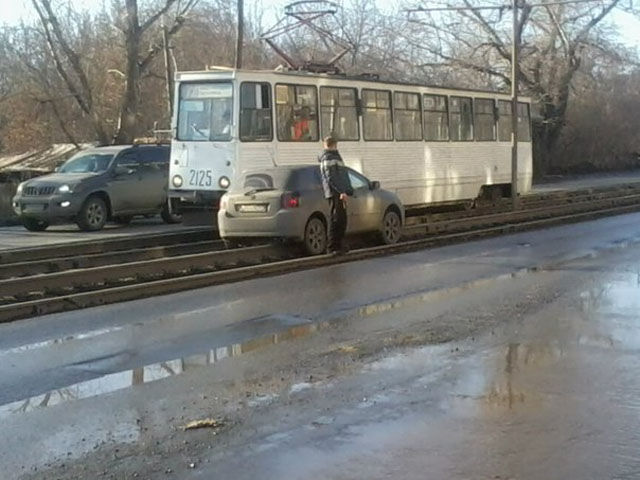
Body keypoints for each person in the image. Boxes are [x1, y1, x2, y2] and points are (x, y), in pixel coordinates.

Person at [319, 135, 353, 254]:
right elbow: (331, 177)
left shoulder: (333, 156)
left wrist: (348, 189)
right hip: (335, 192)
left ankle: (338, 245)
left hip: (338, 191)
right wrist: (341, 191)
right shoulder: (328, 157)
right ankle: (333, 247)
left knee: (341, 219)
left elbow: (341, 175)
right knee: (336, 219)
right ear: (334, 144)